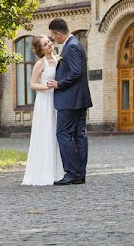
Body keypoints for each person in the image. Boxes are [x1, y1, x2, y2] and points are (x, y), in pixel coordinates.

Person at [46, 18, 93, 186]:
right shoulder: (75, 44)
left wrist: (59, 83)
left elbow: (75, 73)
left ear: (58, 33)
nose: (54, 39)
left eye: (53, 35)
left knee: (63, 134)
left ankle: (72, 172)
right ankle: (80, 174)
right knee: (79, 135)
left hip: (70, 100)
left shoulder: (71, 47)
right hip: (78, 99)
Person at [21, 36, 64, 186]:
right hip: (45, 100)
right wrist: (47, 86)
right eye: (45, 44)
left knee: (57, 133)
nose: (50, 44)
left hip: (58, 99)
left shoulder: (59, 59)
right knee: (46, 133)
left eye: (49, 41)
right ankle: (44, 172)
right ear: (40, 49)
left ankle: (59, 171)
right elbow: (32, 84)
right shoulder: (40, 63)